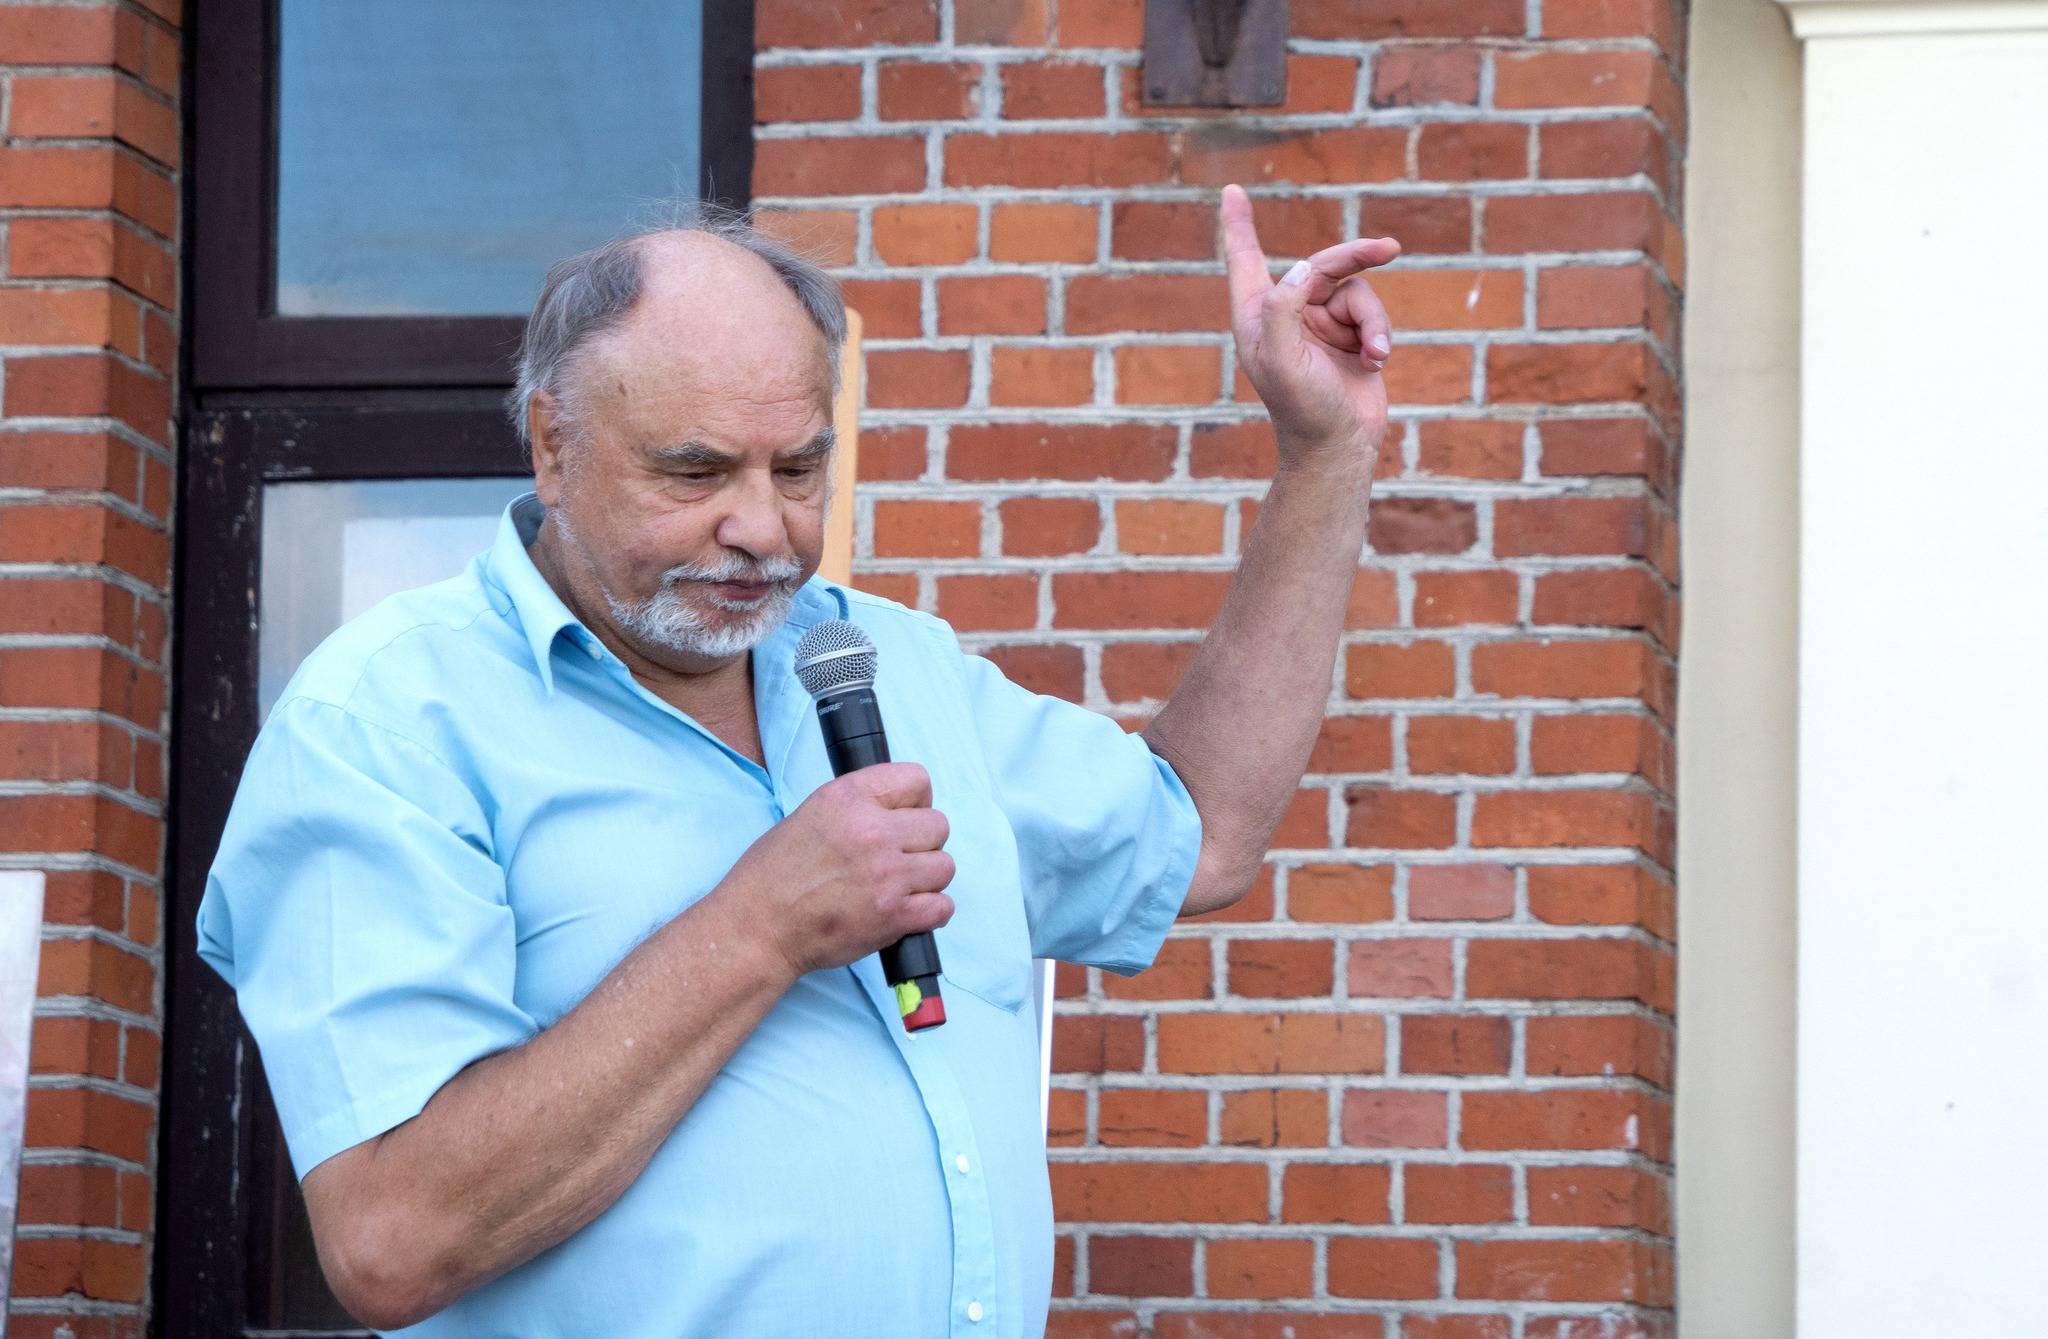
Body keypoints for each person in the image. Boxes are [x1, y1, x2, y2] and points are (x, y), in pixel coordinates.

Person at [197, 187, 1400, 1337]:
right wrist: (762, 924)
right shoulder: (388, 725)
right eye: (694, 471)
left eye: (797, 468)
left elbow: (1200, 834)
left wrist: (1324, 455)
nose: (761, 529)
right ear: (552, 445)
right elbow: (391, 1239)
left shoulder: (889, 662)